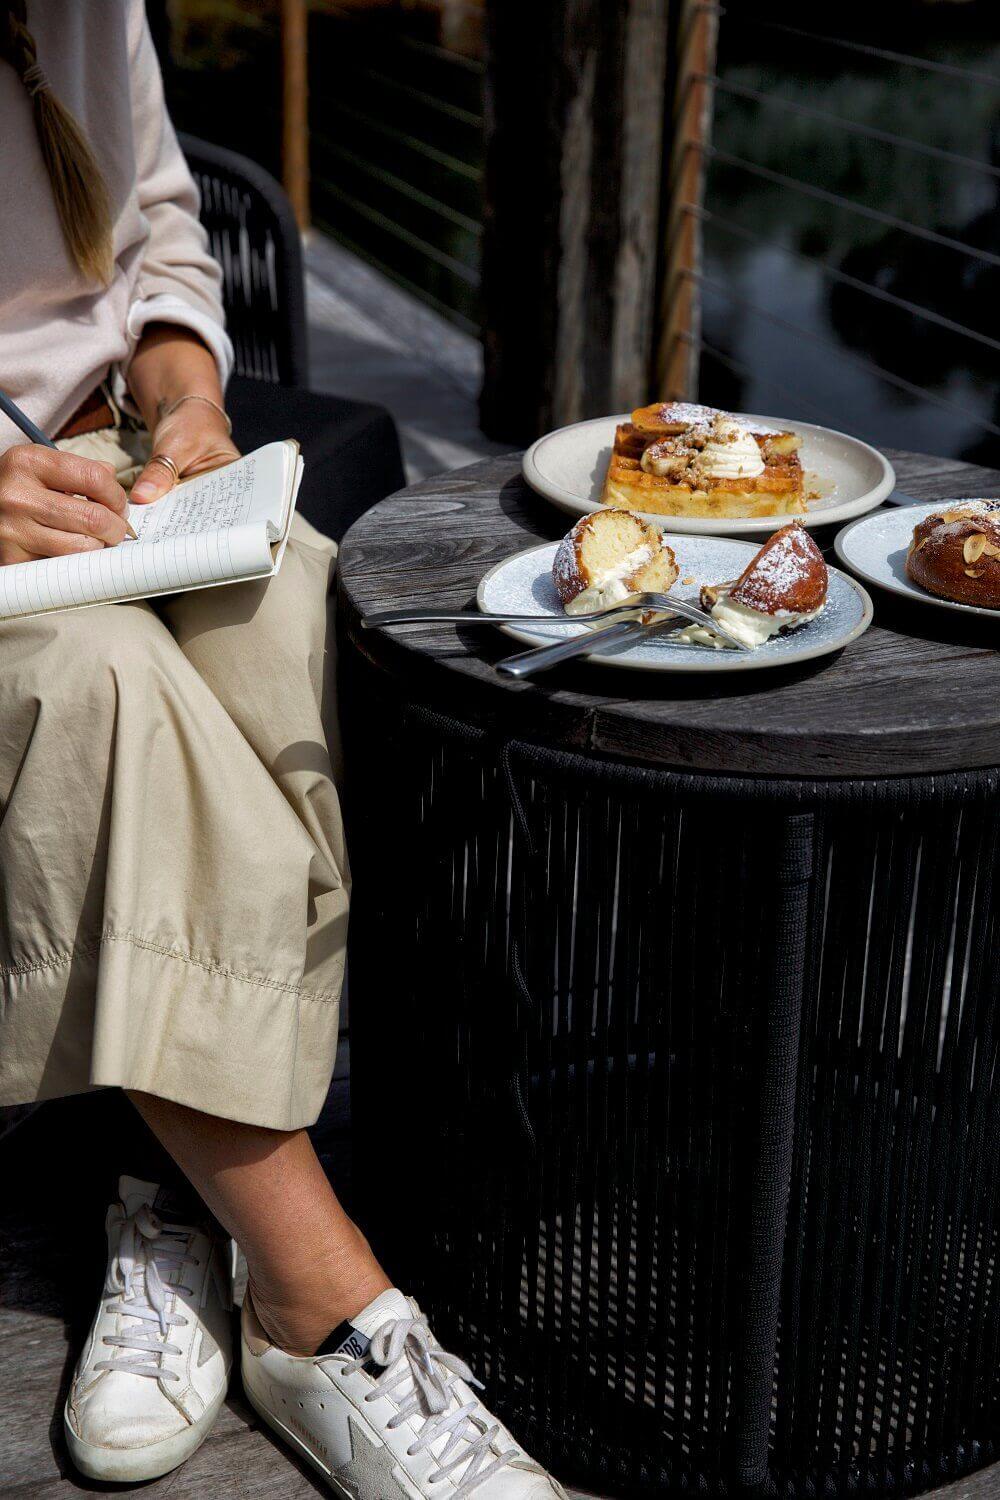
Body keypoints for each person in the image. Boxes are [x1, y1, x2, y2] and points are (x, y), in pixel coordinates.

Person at [0, 5, 566, 1495]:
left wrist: (184, 390)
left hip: (101, 470)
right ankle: (328, 1307)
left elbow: (158, 228)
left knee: (292, 605)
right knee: (99, 683)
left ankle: (172, 1204)